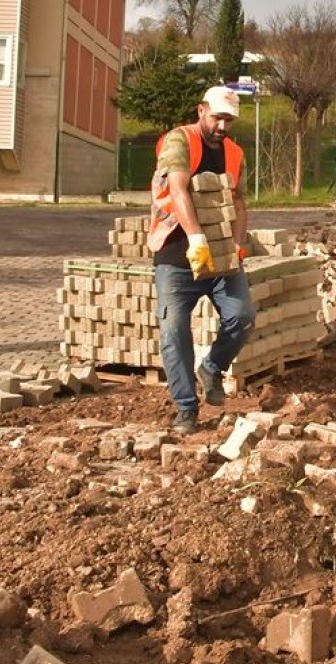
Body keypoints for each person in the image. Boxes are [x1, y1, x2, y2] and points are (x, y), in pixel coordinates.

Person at [147, 85, 255, 435]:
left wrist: (237, 245)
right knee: (174, 329)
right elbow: (178, 189)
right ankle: (186, 409)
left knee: (241, 316)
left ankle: (212, 367)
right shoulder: (179, 141)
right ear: (201, 110)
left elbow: (239, 203)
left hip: (222, 256)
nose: (223, 126)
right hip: (177, 255)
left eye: (229, 120)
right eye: (217, 117)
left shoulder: (235, 153)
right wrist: (195, 237)